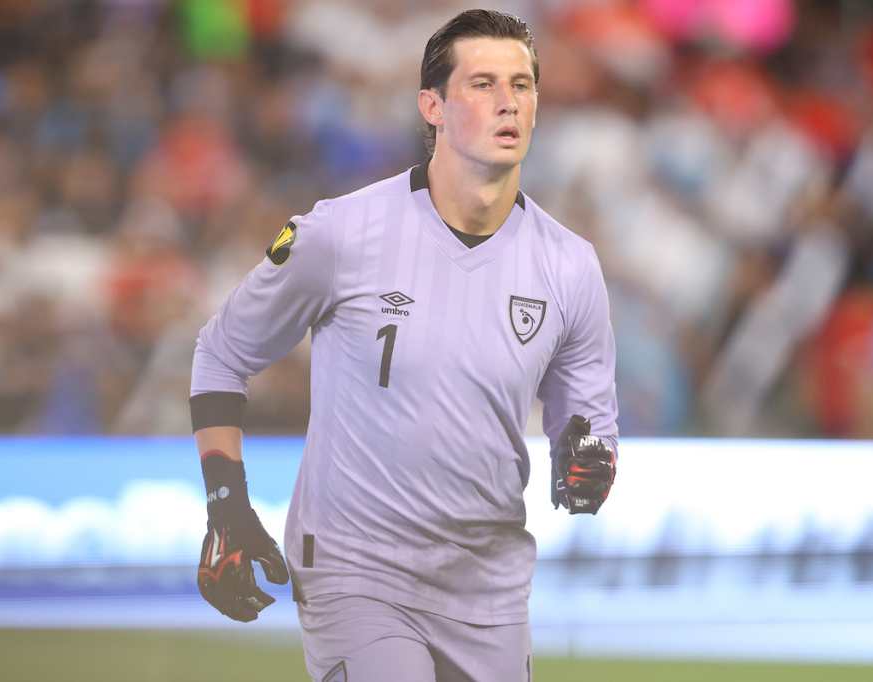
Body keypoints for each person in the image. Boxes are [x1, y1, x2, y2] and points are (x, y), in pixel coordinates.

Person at [189, 9, 618, 681]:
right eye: (482, 84)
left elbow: (587, 426)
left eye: (522, 85)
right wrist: (227, 508)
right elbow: (222, 354)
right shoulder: (340, 234)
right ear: (433, 107)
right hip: (356, 572)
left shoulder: (571, 266)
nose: (508, 102)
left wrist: (589, 466)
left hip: (490, 588)